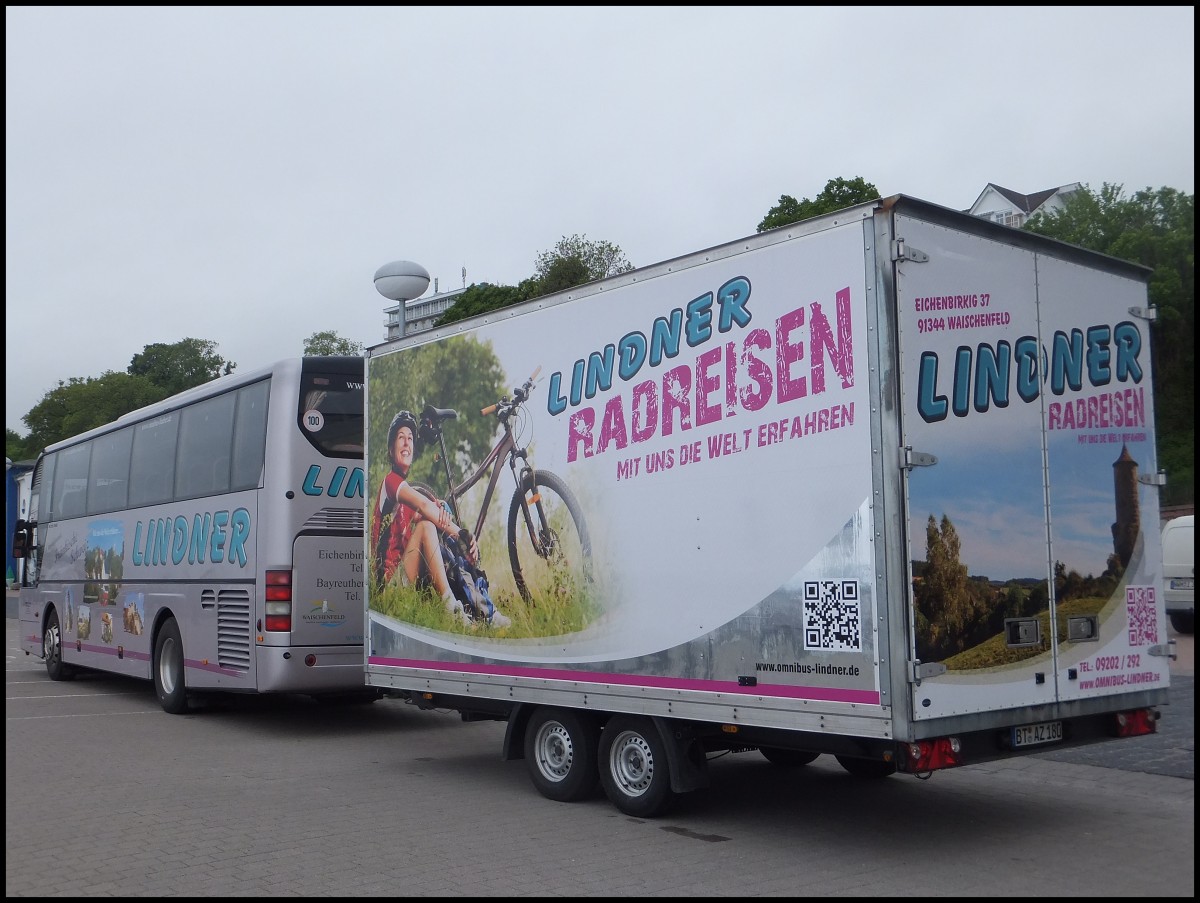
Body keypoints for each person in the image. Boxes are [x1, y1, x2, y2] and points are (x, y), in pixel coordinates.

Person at [371, 409, 511, 629]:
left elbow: (423, 512)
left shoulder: (404, 497)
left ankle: (484, 611)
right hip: (388, 588)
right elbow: (424, 507)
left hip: (405, 577)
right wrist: (460, 532)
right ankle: (451, 609)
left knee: (440, 530)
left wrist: (453, 529)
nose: (407, 443)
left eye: (410, 438)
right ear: (391, 450)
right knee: (428, 526)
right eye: (401, 438)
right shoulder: (391, 482)